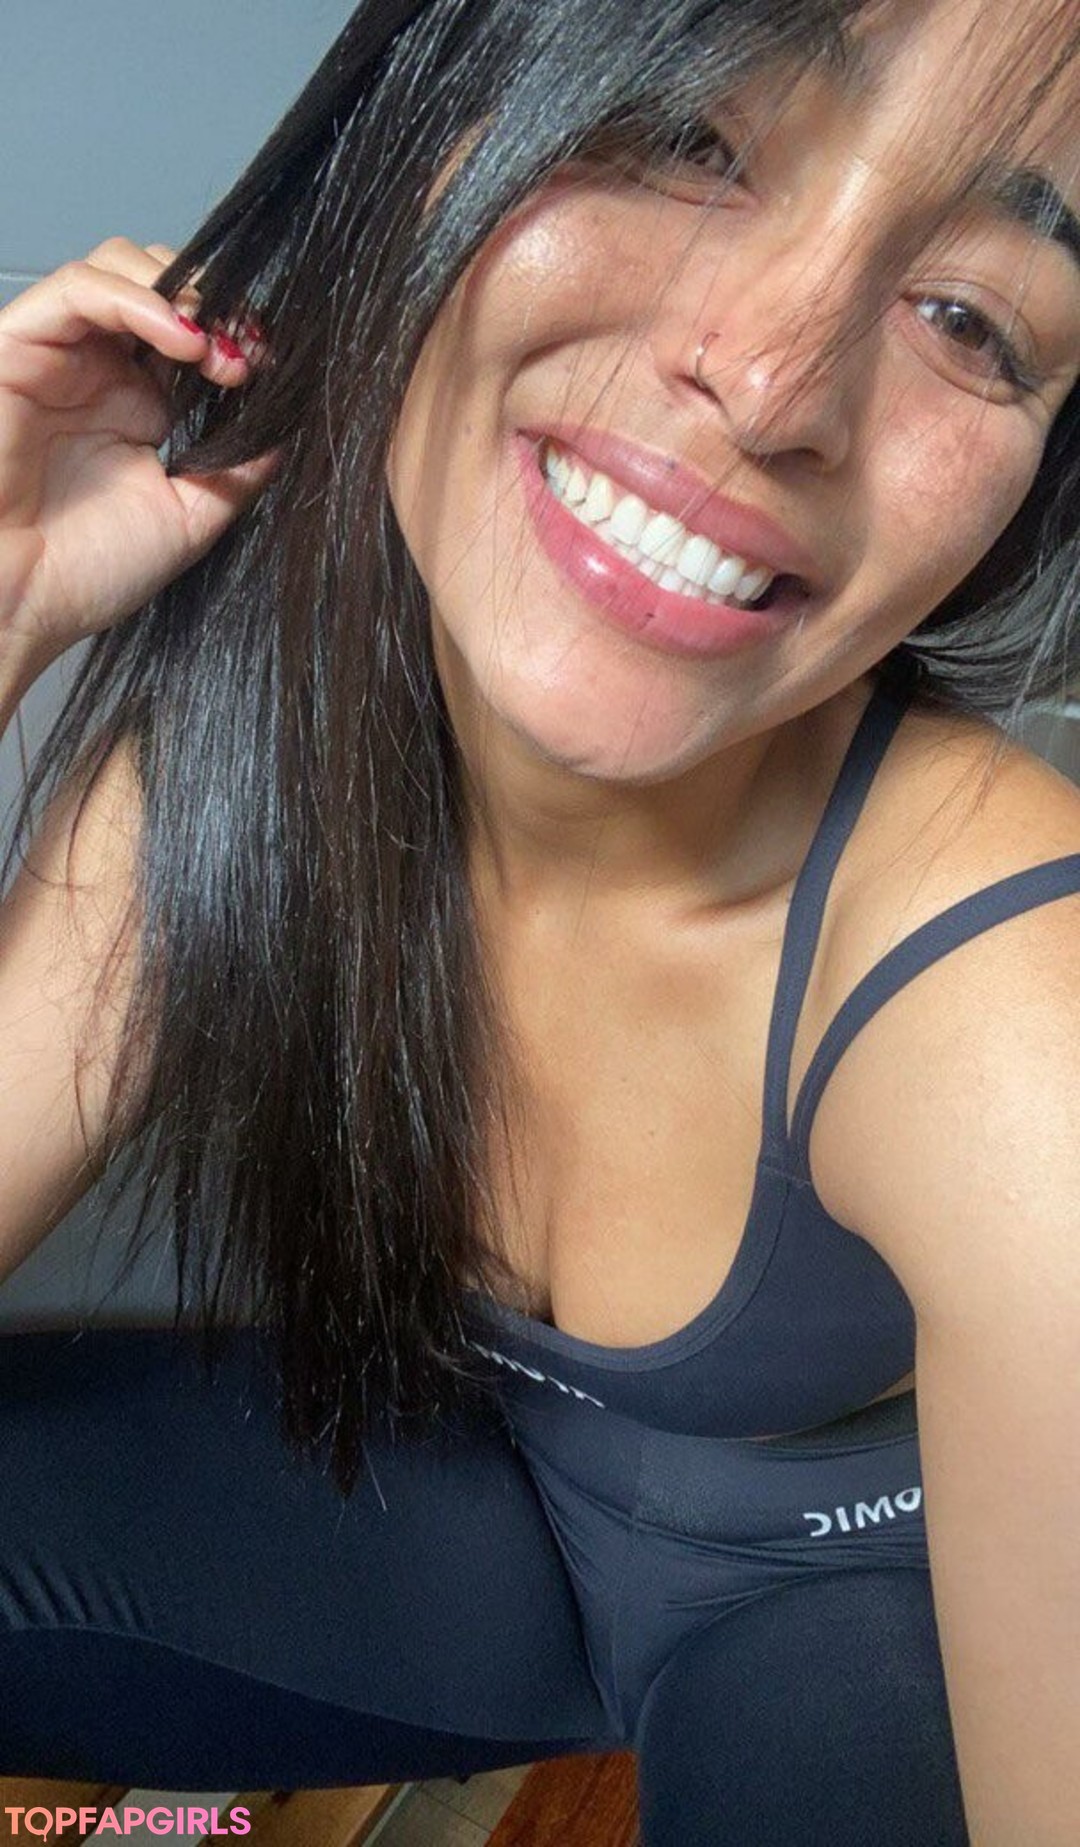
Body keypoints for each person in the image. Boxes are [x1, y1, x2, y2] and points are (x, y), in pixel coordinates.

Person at [0, 0, 1077, 1839]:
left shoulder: (1012, 1020)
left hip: (851, 1625)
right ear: (429, 123)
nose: (773, 381)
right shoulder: (251, 732)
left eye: (974, 319)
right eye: (691, 137)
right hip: (486, 1531)